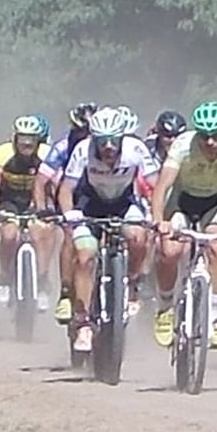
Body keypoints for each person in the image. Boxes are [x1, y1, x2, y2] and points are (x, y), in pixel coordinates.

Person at [150, 101, 217, 352]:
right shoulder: (182, 146)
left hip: (214, 202)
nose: (210, 142)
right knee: (170, 252)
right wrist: (159, 221)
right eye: (205, 136)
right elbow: (162, 187)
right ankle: (165, 307)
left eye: (216, 136)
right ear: (196, 133)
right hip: (181, 201)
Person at [57, 107, 159, 352]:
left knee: (137, 237)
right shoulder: (83, 150)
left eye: (114, 140)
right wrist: (70, 216)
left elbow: (156, 185)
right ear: (95, 139)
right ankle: (82, 321)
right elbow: (66, 189)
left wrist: (157, 215)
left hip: (124, 203)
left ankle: (133, 283)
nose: (109, 147)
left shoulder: (136, 149)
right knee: (84, 257)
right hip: (90, 205)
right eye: (103, 142)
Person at [33, 102, 96, 323]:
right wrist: (42, 208)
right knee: (71, 236)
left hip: (99, 196)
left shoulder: (108, 147)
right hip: (70, 196)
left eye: (90, 132)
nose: (85, 136)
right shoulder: (62, 146)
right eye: (80, 131)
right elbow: (41, 181)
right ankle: (66, 292)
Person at [0, 115, 52, 310]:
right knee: (9, 236)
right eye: (22, 138)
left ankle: (42, 280)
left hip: (34, 200)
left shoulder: (46, 153)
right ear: (15, 137)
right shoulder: (3, 152)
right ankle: (4, 276)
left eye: (31, 139)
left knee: (42, 233)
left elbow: (55, 183)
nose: (26, 144)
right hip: (9, 200)